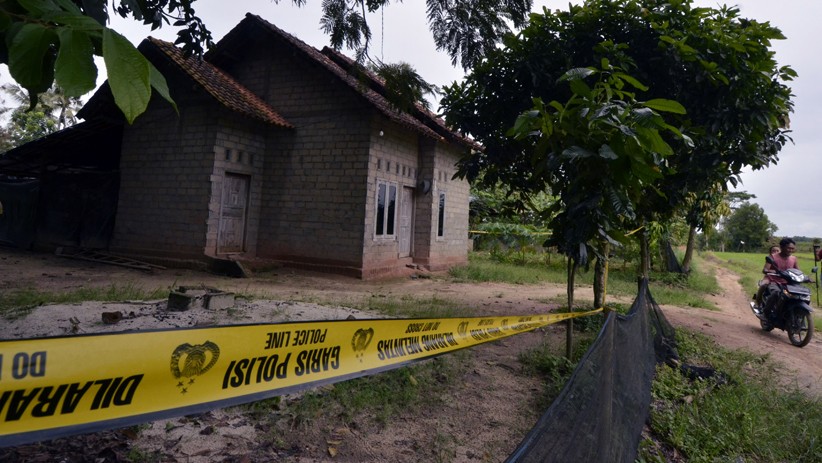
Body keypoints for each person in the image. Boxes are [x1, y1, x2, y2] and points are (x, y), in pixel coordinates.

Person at [760, 238, 800, 317]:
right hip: (773, 281)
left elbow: (798, 271)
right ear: (782, 247)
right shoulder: (772, 257)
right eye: (788, 248)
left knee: (799, 295)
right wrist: (772, 271)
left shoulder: (793, 259)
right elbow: (765, 269)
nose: (790, 250)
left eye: (792, 248)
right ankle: (766, 313)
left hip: (788, 283)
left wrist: (806, 277)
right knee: (776, 293)